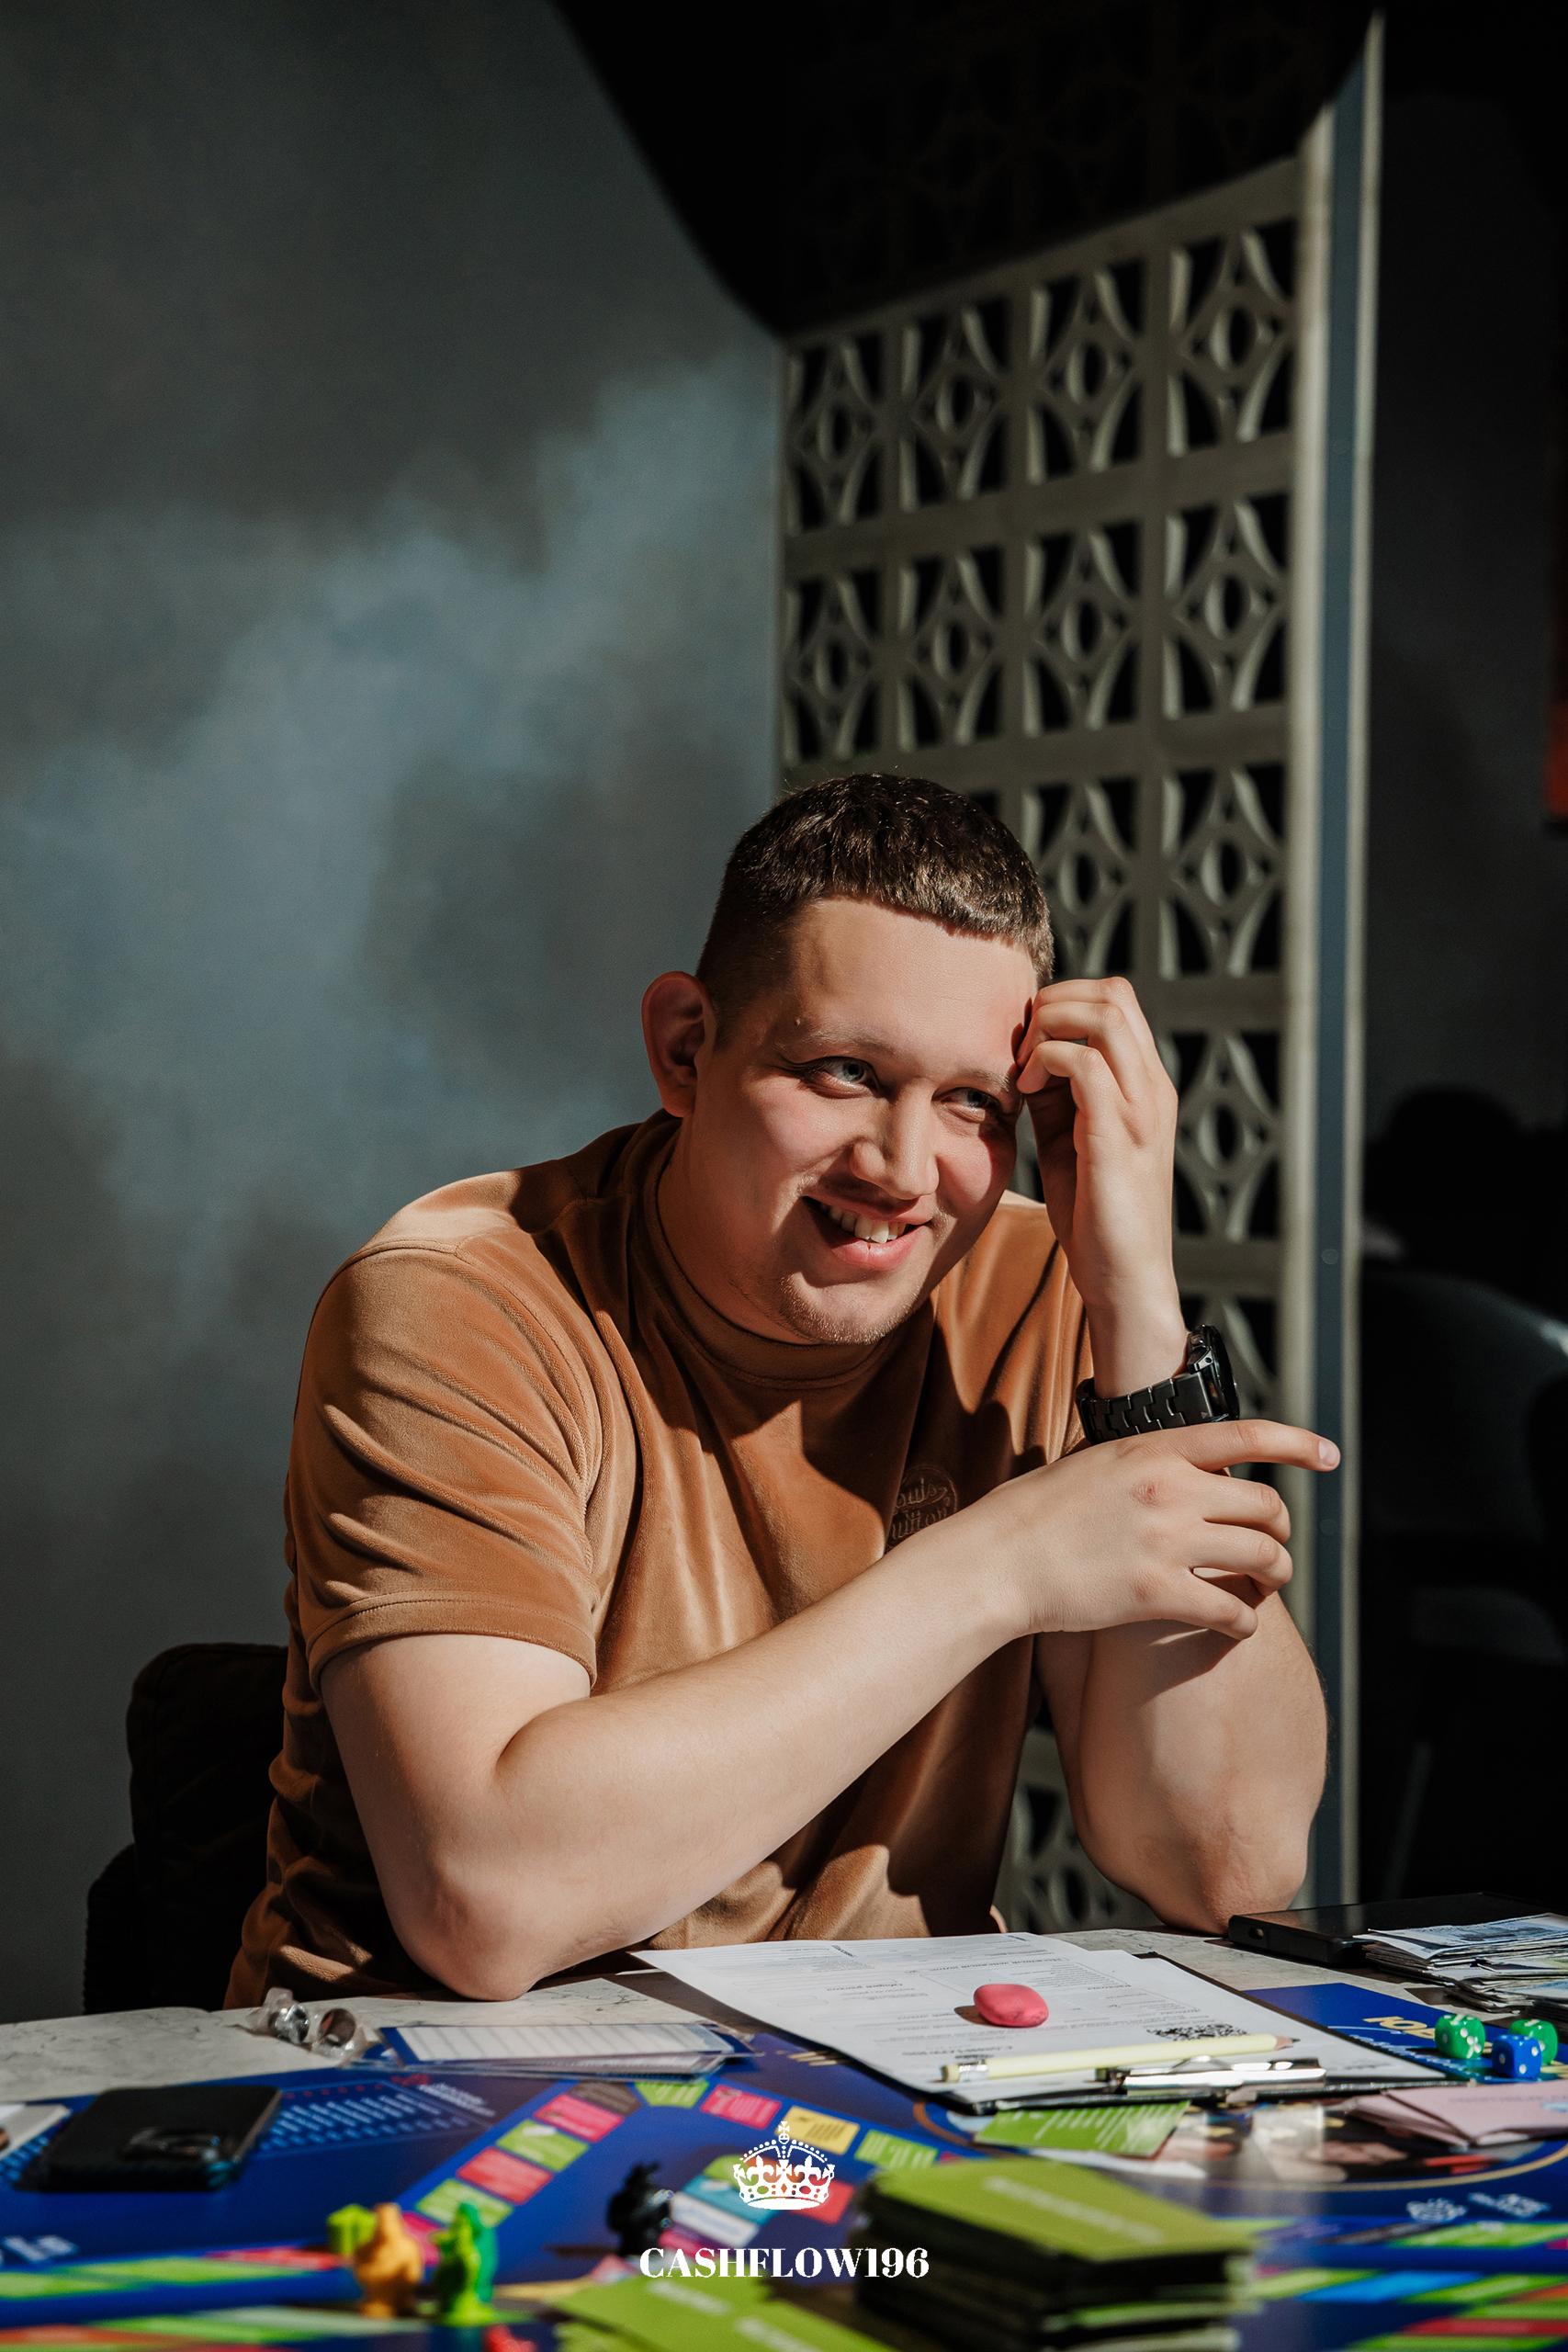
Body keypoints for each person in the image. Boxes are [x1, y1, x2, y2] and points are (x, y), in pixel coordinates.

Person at [228, 774, 1332, 2005]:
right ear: (684, 1047)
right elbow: (483, 1902)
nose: (903, 1170)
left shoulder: (1038, 1287)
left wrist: (1139, 1314)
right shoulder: (462, 1300)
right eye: (844, 1072)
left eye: (971, 1102)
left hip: (884, 2079)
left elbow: (1225, 1865)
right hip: (444, 2086)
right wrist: (1004, 1566)